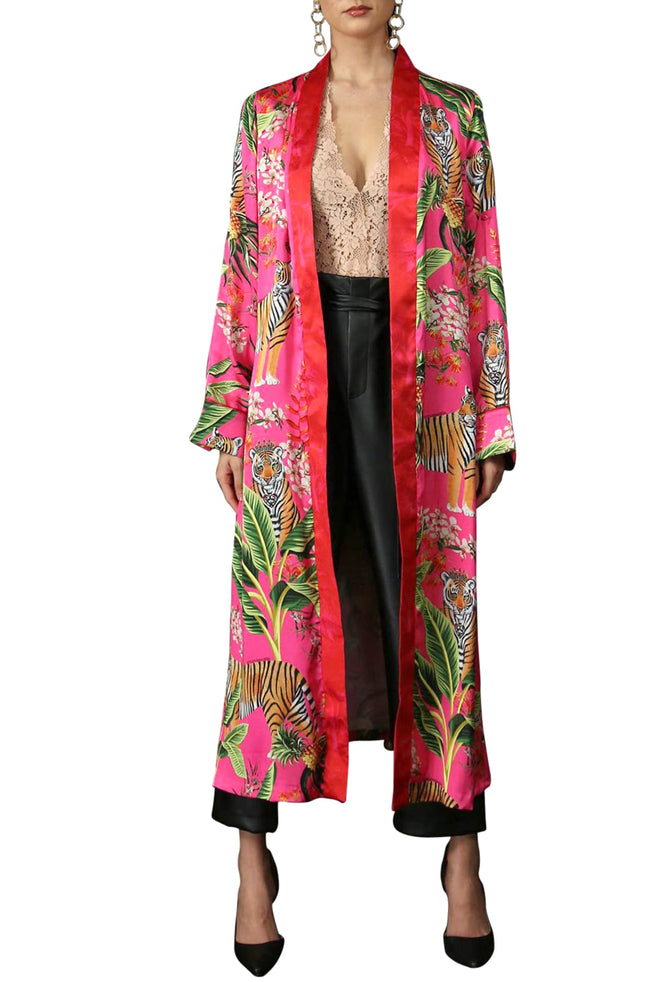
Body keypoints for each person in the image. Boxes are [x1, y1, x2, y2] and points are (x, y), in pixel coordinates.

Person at [189, 1, 517, 973]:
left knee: (436, 609)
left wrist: (494, 418)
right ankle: (251, 859)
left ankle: (462, 857)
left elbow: (483, 270)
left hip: (427, 384)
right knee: (274, 618)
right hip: (290, 386)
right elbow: (242, 267)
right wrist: (227, 412)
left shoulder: (456, 115)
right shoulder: (266, 115)